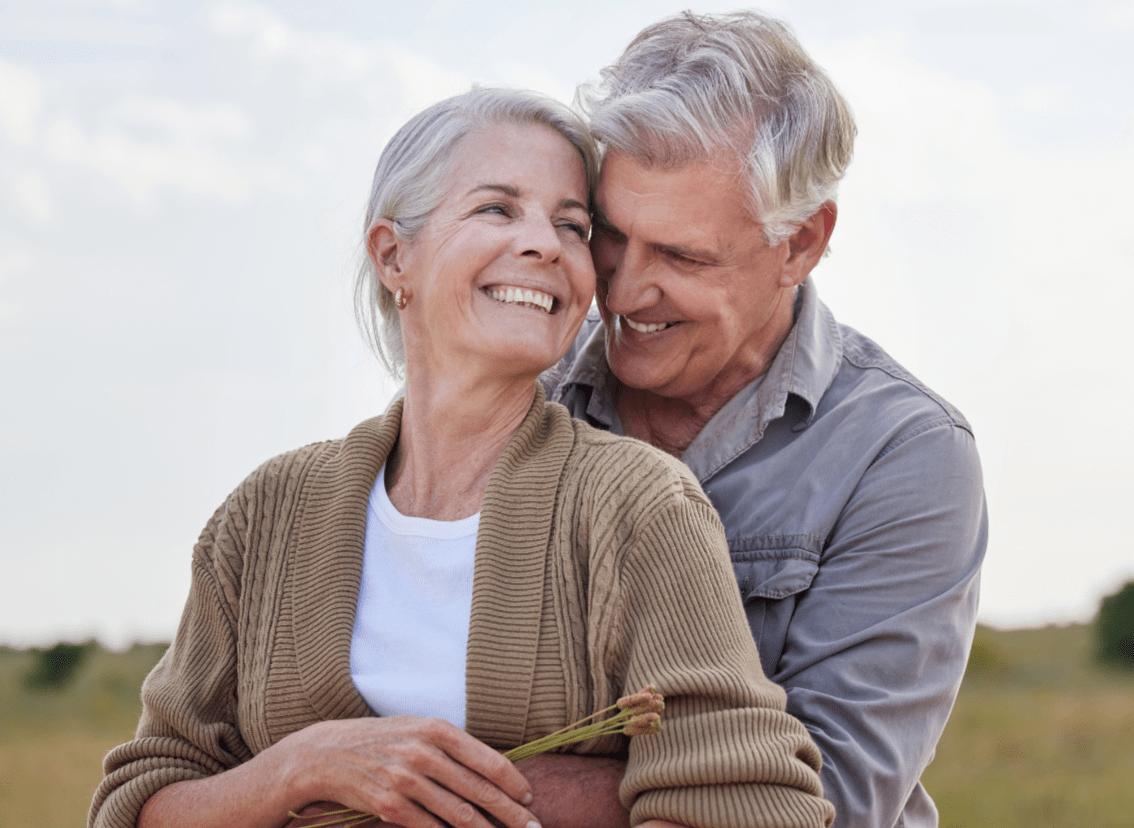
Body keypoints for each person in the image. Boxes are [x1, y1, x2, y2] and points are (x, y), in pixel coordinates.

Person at [87, 88, 835, 828]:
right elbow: (145, 800)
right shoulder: (267, 514)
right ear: (393, 256)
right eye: (496, 209)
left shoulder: (637, 506)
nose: (544, 243)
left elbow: (747, 804)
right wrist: (299, 766)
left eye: (571, 226)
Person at [531, 10, 989, 828]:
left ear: (800, 243)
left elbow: (824, 802)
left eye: (681, 256)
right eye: (610, 234)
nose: (624, 292)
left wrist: (468, 787)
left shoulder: (903, 455)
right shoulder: (523, 396)